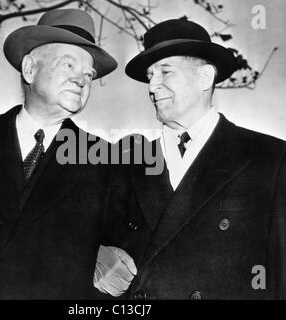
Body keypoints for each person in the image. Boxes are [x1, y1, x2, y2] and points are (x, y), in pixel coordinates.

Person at [0, 8, 133, 299]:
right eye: (68, 65)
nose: (81, 80)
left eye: (88, 74)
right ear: (29, 69)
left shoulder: (102, 159)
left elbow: (122, 256)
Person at [102, 18, 286, 299]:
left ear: (205, 77)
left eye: (165, 72)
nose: (152, 87)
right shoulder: (125, 161)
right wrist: (96, 259)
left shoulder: (270, 159)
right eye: (150, 76)